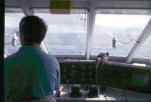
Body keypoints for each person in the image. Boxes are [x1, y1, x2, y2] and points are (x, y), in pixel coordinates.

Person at [5, 16, 60, 102]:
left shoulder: (7, 63)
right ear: (43, 37)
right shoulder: (53, 61)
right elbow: (56, 90)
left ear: (21, 35)